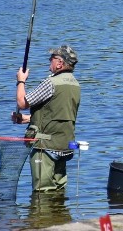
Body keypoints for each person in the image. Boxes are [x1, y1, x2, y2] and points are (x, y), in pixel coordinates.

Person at [12, 45, 81, 192]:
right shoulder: (75, 84)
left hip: (45, 146)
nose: (49, 61)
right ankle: (59, 214)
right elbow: (57, 113)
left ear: (60, 63)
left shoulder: (51, 83)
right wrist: (26, 119)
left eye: (52, 58)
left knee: (42, 192)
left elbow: (22, 102)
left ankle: (43, 214)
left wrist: (21, 81)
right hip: (65, 144)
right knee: (59, 190)